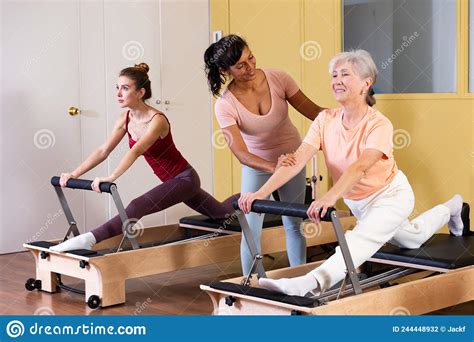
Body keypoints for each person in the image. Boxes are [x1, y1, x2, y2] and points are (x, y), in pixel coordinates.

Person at [238, 50, 464, 296]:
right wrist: (258, 194)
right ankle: (453, 207)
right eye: (334, 75)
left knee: (358, 240)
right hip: (359, 203)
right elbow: (295, 162)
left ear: (366, 83)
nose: (337, 80)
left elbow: (359, 167)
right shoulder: (325, 120)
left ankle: (310, 283)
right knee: (412, 239)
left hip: (391, 197)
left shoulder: (379, 124)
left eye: (345, 74)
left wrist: (328, 198)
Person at [51, 63, 236, 252]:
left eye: (125, 88)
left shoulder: (157, 120)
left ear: (141, 92)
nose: (118, 93)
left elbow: (136, 150)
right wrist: (74, 174)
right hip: (173, 182)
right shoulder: (125, 119)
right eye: (117, 88)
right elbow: (103, 150)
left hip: (185, 179)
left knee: (138, 205)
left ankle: (90, 239)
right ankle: (245, 200)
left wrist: (112, 177)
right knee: (223, 215)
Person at [204, 34, 325, 274]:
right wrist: (274, 167)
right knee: (251, 226)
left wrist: (349, 115)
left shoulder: (279, 78)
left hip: (293, 157)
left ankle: (298, 280)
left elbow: (315, 112)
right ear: (225, 70)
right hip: (257, 164)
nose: (250, 67)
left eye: (251, 58)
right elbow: (239, 152)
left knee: (294, 223)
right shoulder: (225, 105)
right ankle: (251, 283)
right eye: (241, 65)